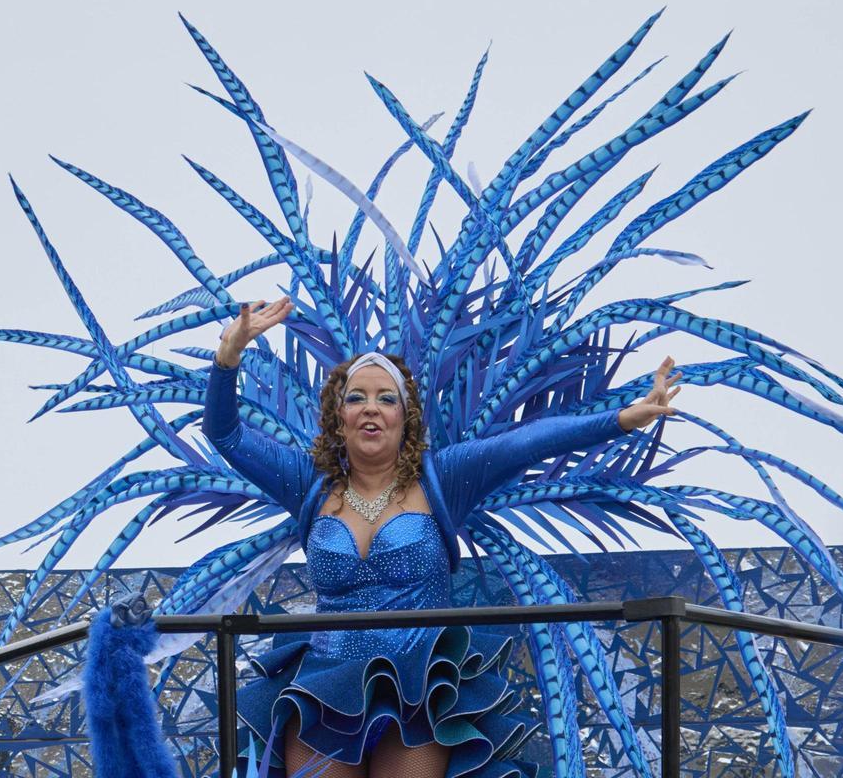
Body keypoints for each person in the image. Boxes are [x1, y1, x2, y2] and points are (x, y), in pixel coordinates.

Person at [204, 296, 680, 778]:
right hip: (326, 687)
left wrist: (622, 419)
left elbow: (529, 442)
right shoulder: (307, 482)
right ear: (337, 416)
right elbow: (225, 434)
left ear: (406, 417)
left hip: (418, 688)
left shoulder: (442, 479)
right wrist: (228, 358)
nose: (371, 409)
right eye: (356, 398)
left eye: (386, 399)